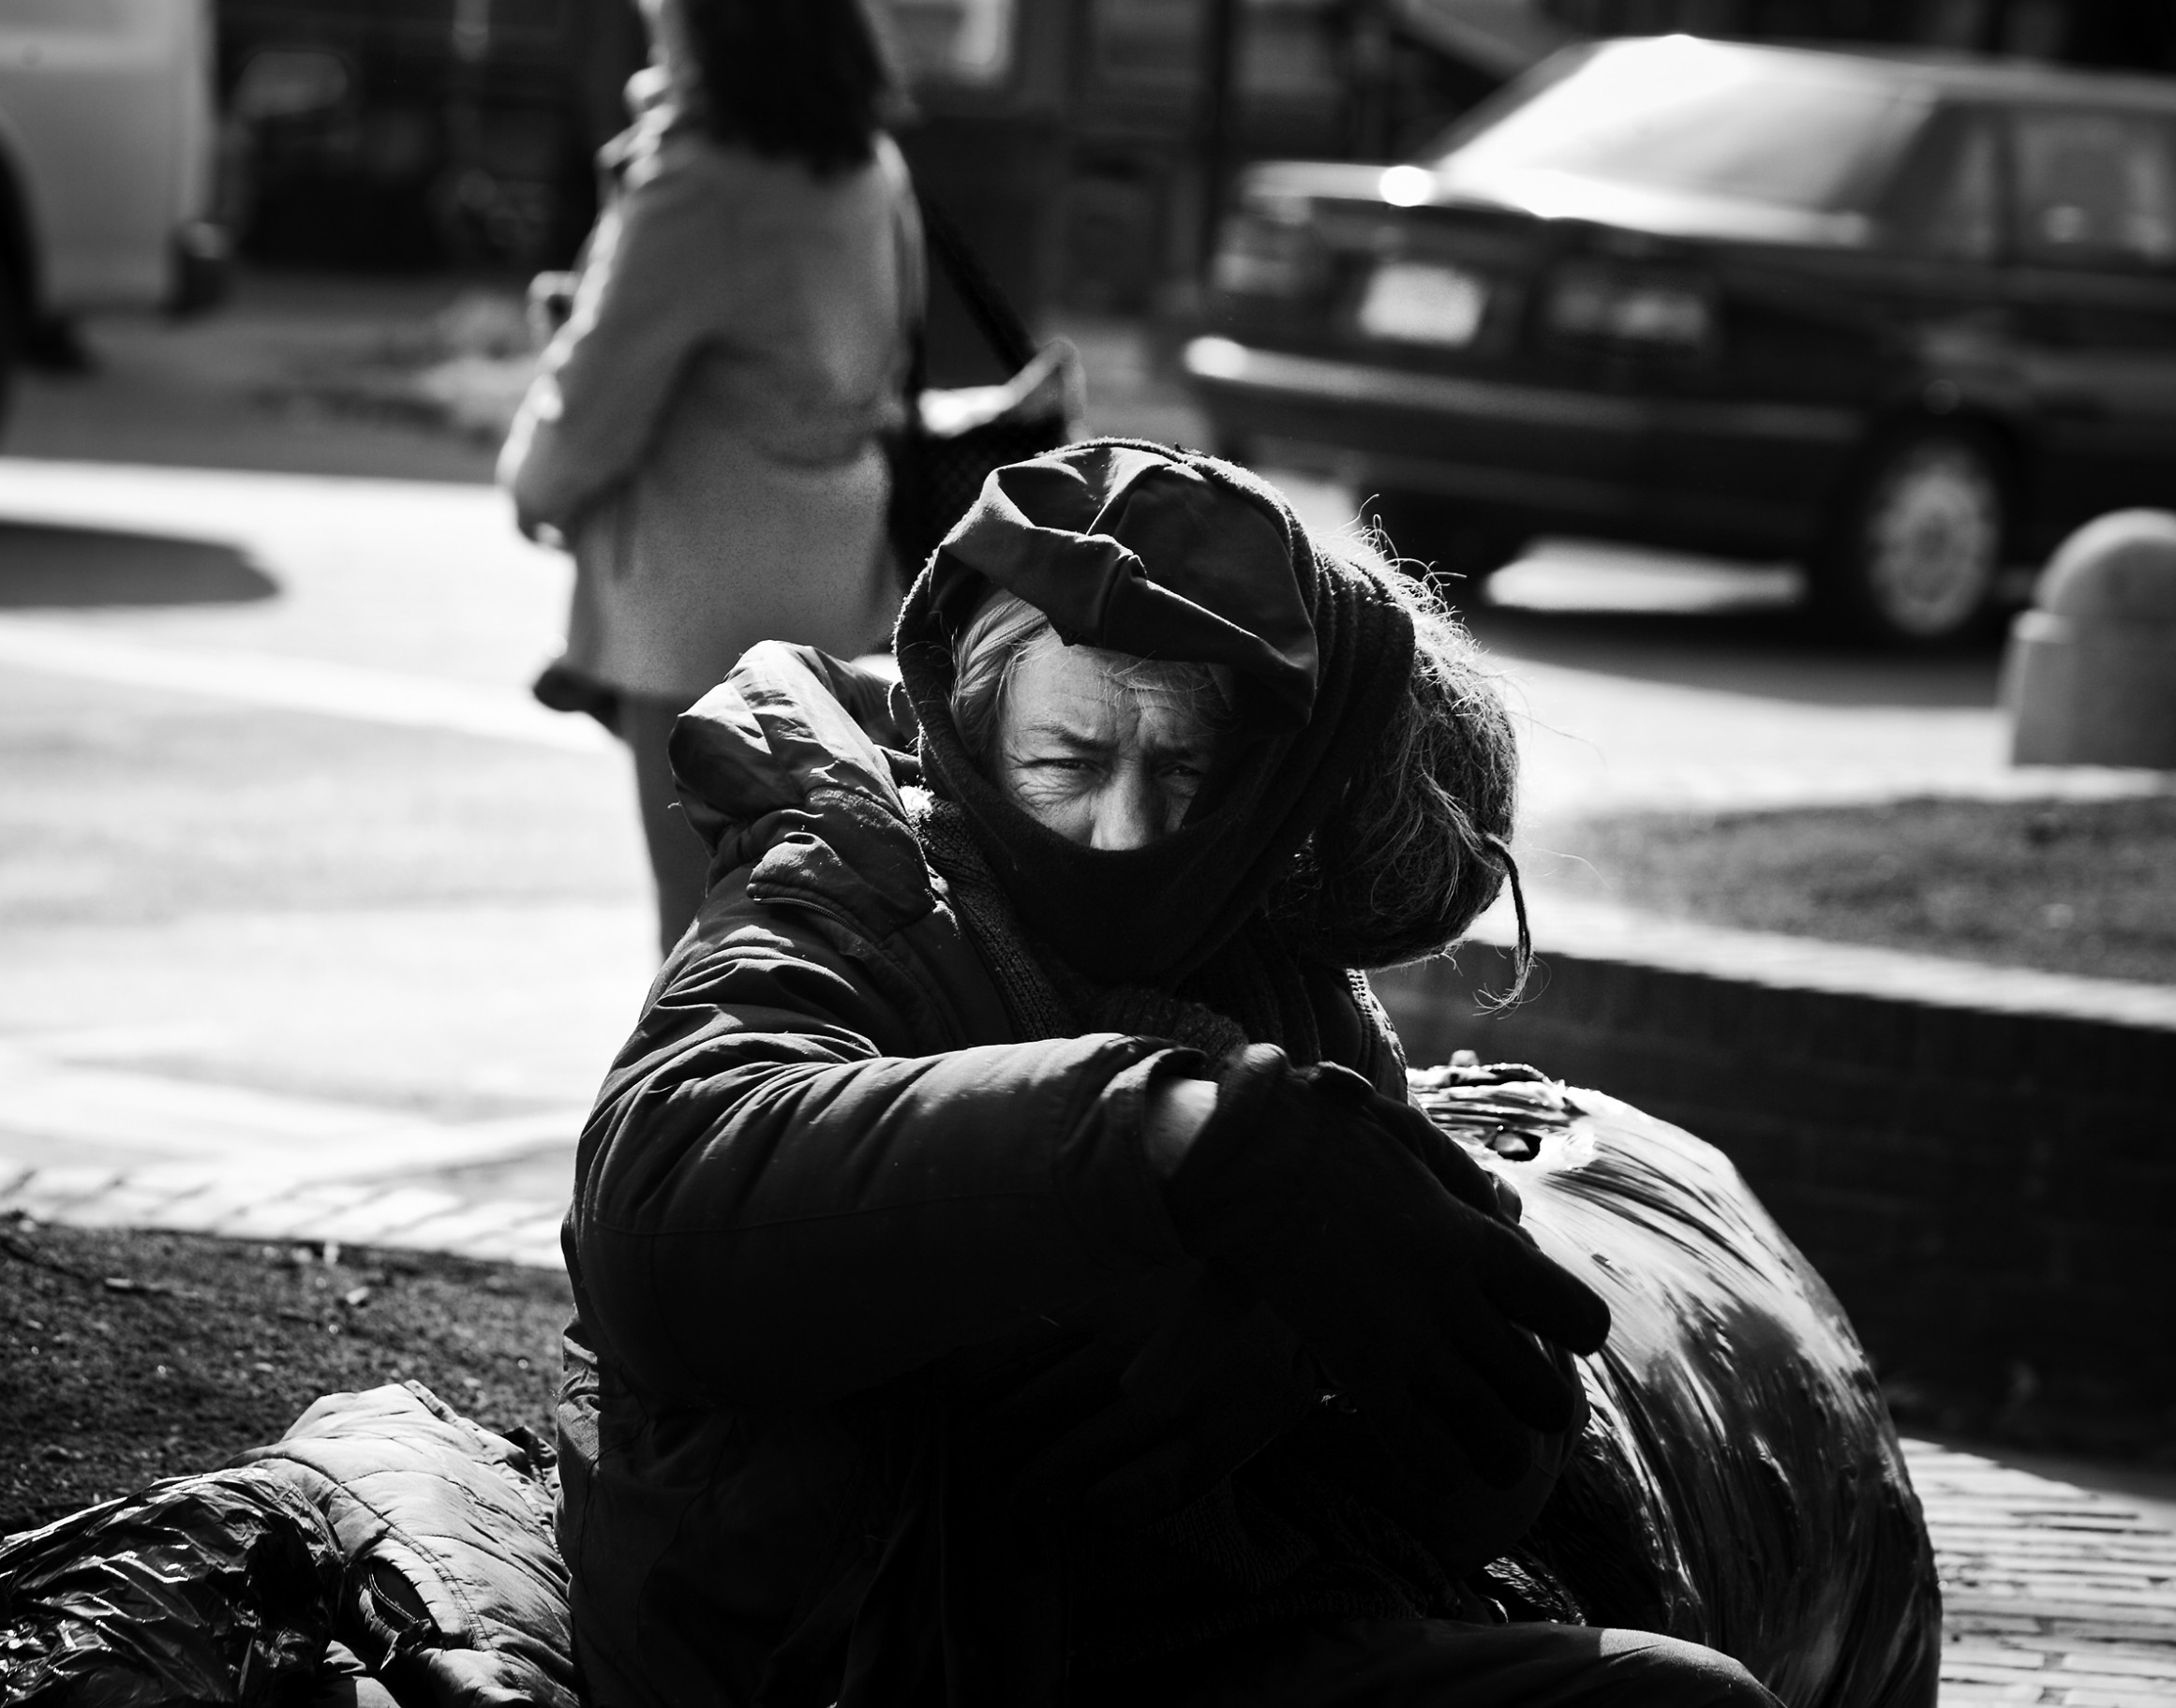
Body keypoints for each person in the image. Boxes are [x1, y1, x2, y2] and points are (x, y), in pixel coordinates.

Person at [554, 441, 1781, 1707]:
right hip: (861, 1653)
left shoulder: (1293, 997)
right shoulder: (839, 897)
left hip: (1202, 1638)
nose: (1125, 830)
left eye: (1182, 773)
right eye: (1067, 765)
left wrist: (1297, 1356)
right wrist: (1178, 1142)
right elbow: (664, 1211)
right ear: (970, 737)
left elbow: (1488, 1461)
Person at [498, 0, 921, 953]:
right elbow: (889, 349)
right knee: (812, 924)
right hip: (834, 573)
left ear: (712, 17)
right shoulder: (868, 163)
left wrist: (533, 487)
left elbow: (598, 393)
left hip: (695, 593)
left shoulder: (701, 181)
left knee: (701, 937)